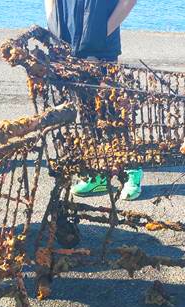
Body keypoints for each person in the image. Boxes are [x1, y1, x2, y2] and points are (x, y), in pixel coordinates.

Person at [44, 0, 143, 201]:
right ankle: (98, 174)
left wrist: (101, 33)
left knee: (110, 111)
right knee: (86, 110)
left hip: (101, 42)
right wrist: (53, 27)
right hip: (65, 39)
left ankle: (132, 171)